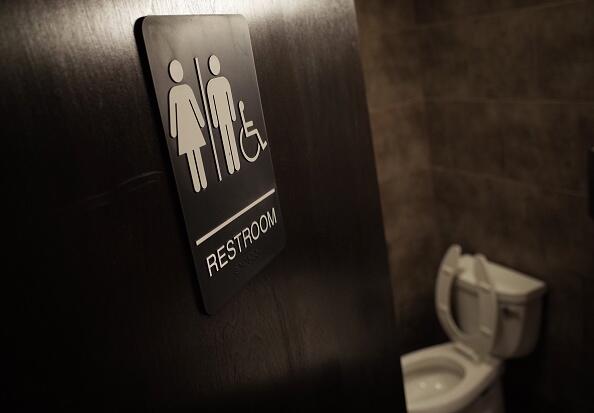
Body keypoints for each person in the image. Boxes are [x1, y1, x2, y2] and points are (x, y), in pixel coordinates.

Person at [168, 59, 208, 192]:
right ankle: (198, 184)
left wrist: (201, 121)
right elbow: (173, 114)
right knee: (192, 155)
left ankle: (202, 181)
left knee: (195, 153)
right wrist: (173, 132)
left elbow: (195, 107)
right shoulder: (174, 92)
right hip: (185, 128)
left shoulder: (184, 90)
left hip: (190, 127)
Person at [206, 55, 241, 174]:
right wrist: (215, 121)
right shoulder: (210, 85)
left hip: (226, 117)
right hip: (220, 119)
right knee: (225, 140)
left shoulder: (223, 82)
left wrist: (233, 114)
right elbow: (211, 103)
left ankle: (236, 162)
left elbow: (229, 99)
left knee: (230, 138)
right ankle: (231, 166)